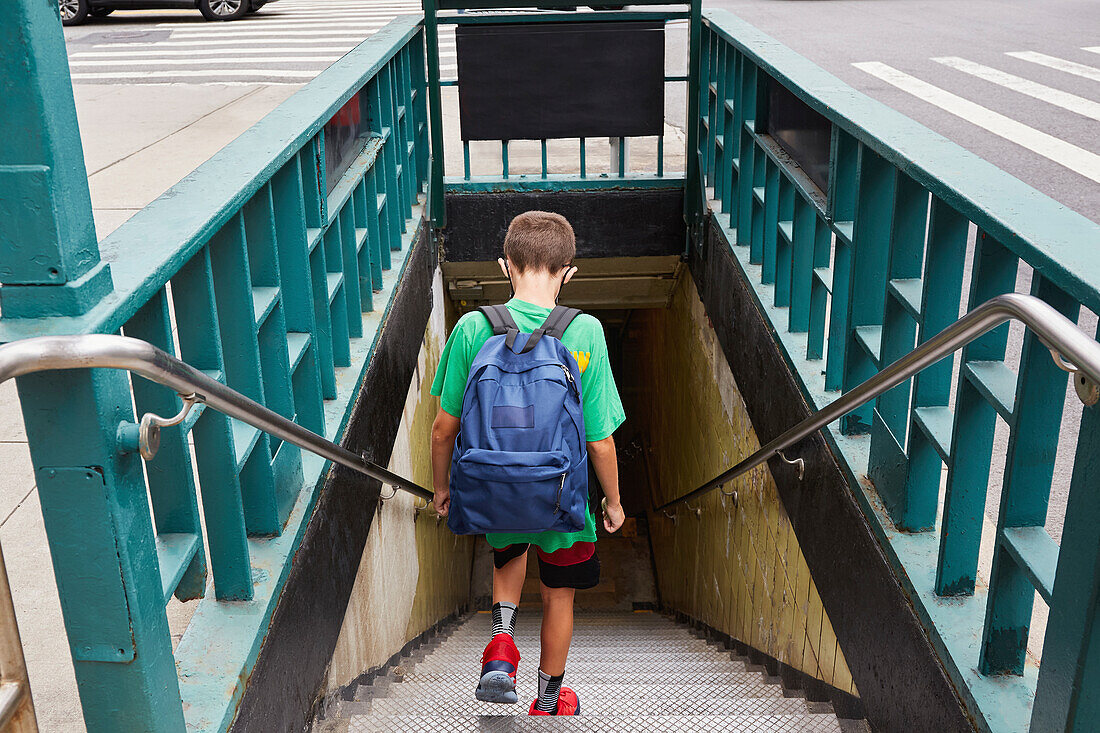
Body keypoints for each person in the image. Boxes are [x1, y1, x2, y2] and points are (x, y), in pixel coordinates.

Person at [429, 210, 627, 716]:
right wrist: (614, 503)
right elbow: (601, 440)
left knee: (508, 558)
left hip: (497, 488)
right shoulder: (586, 332)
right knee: (560, 594)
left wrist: (443, 490)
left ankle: (499, 652)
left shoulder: (475, 327)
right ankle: (547, 698)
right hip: (564, 496)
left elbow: (443, 428)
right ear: (569, 272)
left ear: (504, 266)